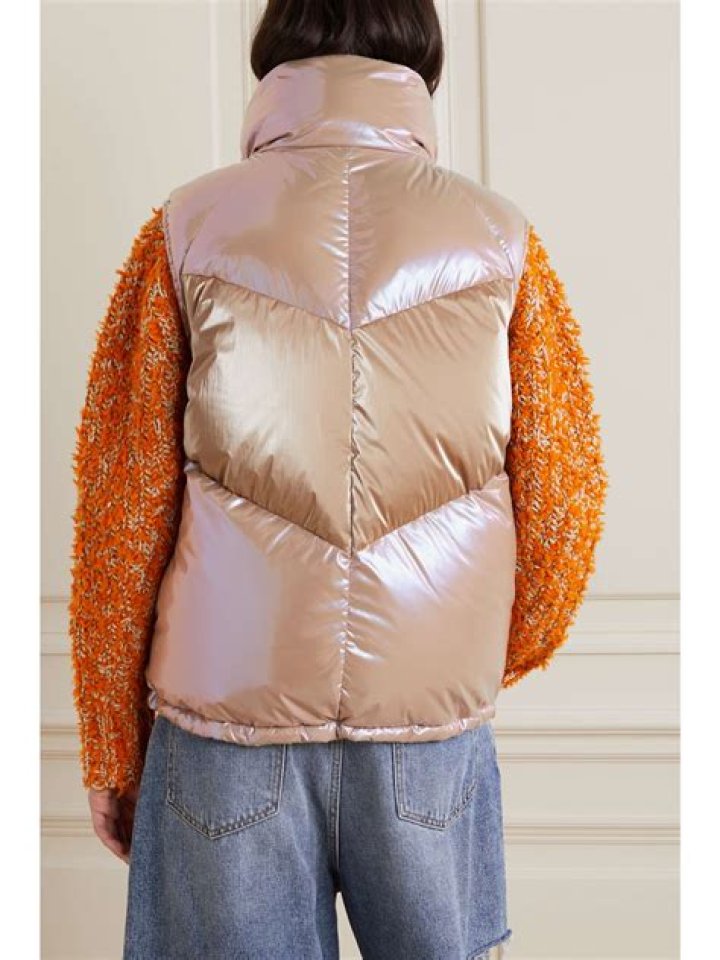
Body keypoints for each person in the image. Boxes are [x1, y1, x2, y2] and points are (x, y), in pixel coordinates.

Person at [68, 1, 609, 957]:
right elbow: (568, 502)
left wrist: (112, 744)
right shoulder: (500, 239)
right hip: (428, 737)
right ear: (422, 54)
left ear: (276, 48)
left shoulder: (187, 228)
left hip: (227, 722)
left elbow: (120, 509)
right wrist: (456, 650)